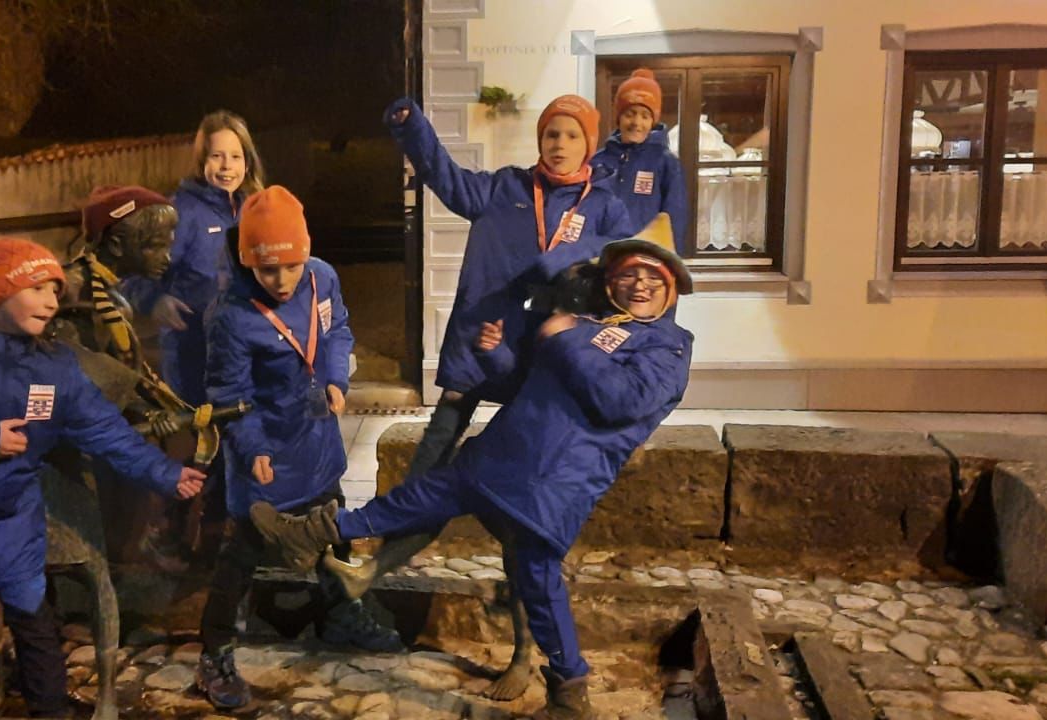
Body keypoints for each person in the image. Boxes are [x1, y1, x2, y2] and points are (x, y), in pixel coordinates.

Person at [251, 215, 694, 720]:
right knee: (416, 497)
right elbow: (530, 383)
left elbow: (620, 400)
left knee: (538, 582)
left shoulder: (668, 346)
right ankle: (312, 532)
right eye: (629, 274)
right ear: (611, 279)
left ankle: (570, 691)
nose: (639, 285)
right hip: (500, 456)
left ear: (672, 289)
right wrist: (497, 356)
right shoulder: (591, 323)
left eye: (653, 278)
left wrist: (563, 338)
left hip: (551, 483)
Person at [0, 237, 207, 717]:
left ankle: (49, 711)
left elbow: (103, 428)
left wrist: (165, 473)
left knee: (35, 623)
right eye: (37, 288)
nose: (52, 301)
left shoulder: (52, 364)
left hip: (12, 524)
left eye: (55, 290)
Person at [361, 94, 636, 590]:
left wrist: (565, 257)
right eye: (551, 134)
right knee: (429, 468)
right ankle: (375, 566)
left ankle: (524, 585)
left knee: (524, 476)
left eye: (572, 135)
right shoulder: (505, 188)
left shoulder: (605, 207)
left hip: (544, 363)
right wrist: (412, 128)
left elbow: (625, 253)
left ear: (589, 145)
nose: (559, 144)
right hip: (479, 346)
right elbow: (446, 178)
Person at [193, 186, 402, 711]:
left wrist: (335, 378)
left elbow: (338, 331)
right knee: (242, 553)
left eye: (291, 266)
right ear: (249, 262)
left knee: (332, 527)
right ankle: (215, 653)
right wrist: (253, 448)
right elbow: (229, 396)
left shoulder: (322, 277)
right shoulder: (230, 315)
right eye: (269, 271)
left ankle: (341, 613)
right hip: (264, 448)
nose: (283, 280)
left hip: (316, 436)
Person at [127, 110, 266, 407]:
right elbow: (132, 272)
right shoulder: (180, 213)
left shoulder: (253, 209)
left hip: (244, 350)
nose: (226, 166)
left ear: (247, 162)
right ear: (202, 160)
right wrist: (154, 301)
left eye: (235, 156)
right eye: (217, 156)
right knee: (201, 433)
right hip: (192, 353)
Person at [591, 69, 689, 252]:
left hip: (645, 258)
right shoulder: (597, 162)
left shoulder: (666, 163)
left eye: (645, 116)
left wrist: (669, 260)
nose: (636, 122)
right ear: (618, 117)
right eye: (630, 114)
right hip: (602, 257)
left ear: (653, 121)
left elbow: (675, 220)